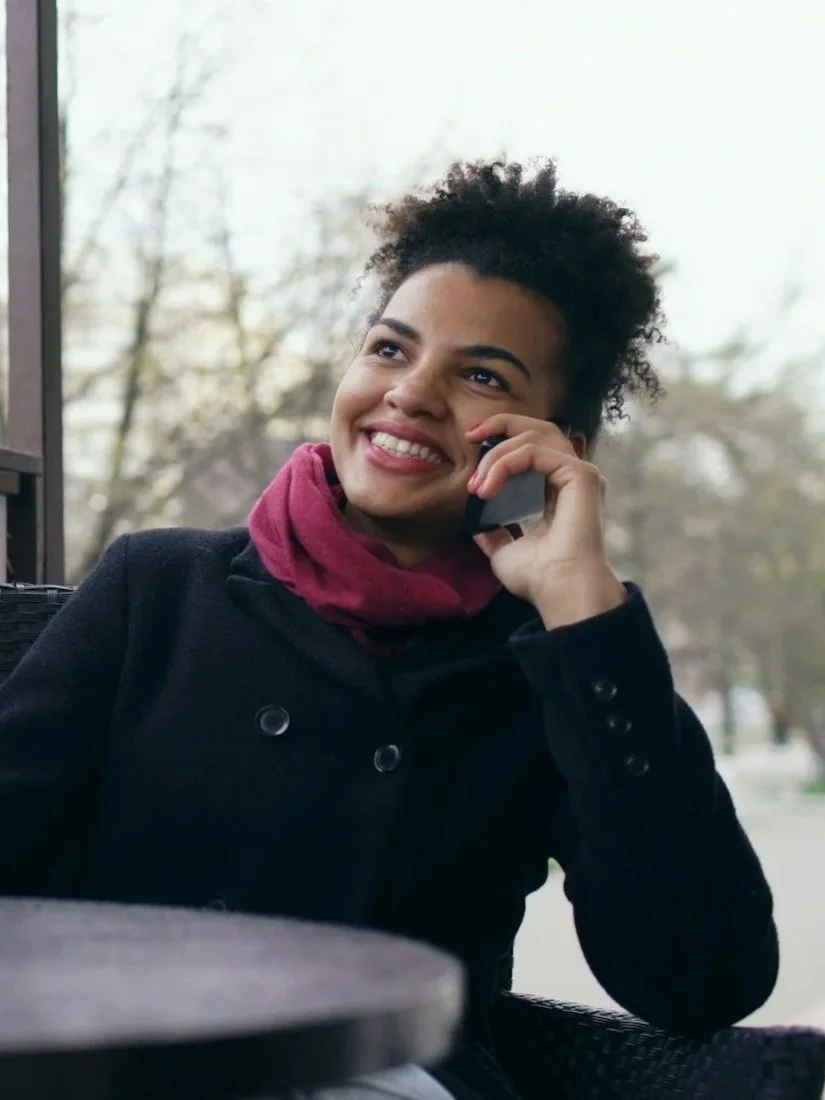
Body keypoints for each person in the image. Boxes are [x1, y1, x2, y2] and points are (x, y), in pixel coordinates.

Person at [0, 159, 778, 1100]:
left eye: (480, 373)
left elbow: (702, 979)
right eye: (388, 349)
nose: (410, 393)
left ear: (553, 445)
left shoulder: (556, 658)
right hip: (127, 1061)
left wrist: (581, 605)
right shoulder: (154, 590)